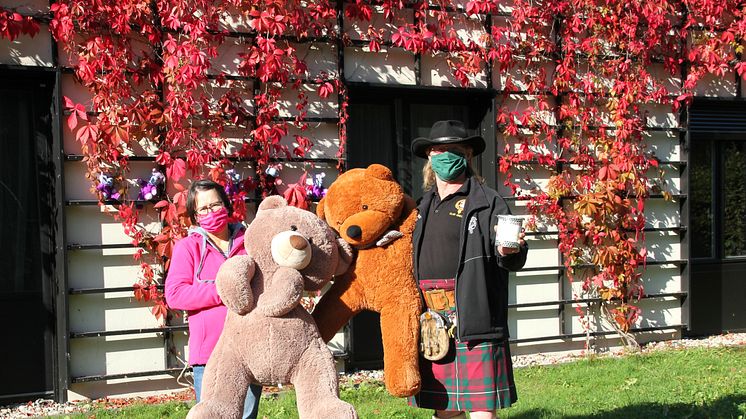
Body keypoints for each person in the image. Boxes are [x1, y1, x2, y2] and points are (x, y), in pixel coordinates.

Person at [408, 120, 528, 419]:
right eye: (439, 150)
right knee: (444, 407)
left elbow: (511, 255)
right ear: (430, 158)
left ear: (468, 156)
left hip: (474, 314)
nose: (446, 155)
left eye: (455, 150)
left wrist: (509, 251)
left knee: (480, 410)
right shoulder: (420, 207)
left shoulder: (488, 202)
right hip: (431, 317)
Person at [165, 179, 262, 419]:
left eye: (216, 205)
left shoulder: (249, 242)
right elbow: (175, 294)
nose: (211, 212)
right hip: (209, 354)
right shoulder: (188, 247)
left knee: (246, 416)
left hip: (249, 349)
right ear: (195, 215)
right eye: (204, 208)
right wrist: (225, 291)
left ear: (227, 206)